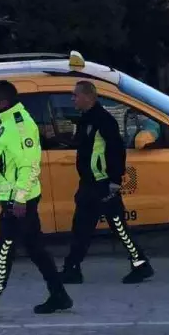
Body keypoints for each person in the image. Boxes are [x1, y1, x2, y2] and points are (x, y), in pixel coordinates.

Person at [0, 80, 72, 322]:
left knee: (4, 253)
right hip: (15, 200)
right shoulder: (7, 121)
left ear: (3, 102)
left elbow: (29, 166)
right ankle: (59, 294)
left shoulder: (19, 126)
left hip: (18, 203)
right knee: (36, 250)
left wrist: (19, 200)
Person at [60, 80, 154, 285]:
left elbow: (116, 151)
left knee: (118, 226)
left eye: (75, 95)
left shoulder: (104, 120)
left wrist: (114, 180)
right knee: (81, 228)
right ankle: (72, 268)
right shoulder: (86, 119)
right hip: (89, 184)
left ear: (87, 97)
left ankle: (141, 265)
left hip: (103, 185)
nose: (72, 99)